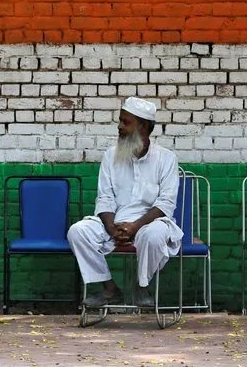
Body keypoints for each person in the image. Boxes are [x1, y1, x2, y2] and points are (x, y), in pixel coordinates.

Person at [67, 96, 182, 307]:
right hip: (116, 222)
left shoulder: (167, 159)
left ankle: (142, 287)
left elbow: (166, 203)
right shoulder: (110, 156)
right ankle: (109, 288)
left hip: (149, 224)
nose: (119, 127)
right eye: (120, 121)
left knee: (155, 235)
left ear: (144, 126)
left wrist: (136, 226)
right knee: (77, 231)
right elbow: (105, 197)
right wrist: (111, 227)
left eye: (125, 122)